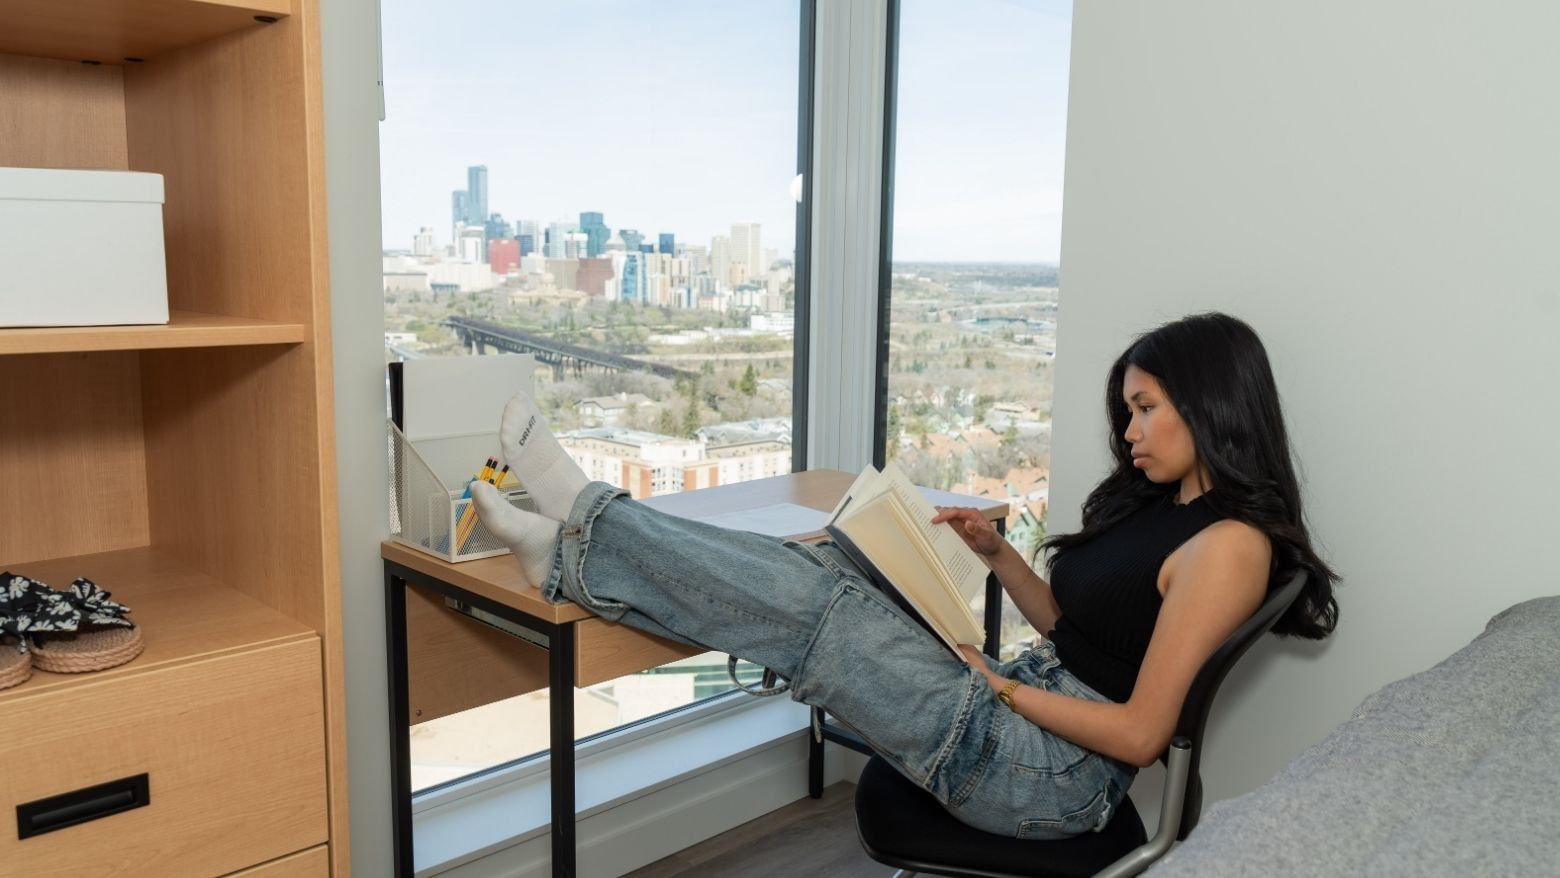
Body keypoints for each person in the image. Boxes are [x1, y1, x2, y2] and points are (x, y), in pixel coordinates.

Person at [471, 311, 1339, 840]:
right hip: (1027, 715)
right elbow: (1080, 634)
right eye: (1130, 411)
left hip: (1049, 774)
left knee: (824, 614)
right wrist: (994, 556)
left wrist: (998, 689)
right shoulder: (1164, 506)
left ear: (1213, 401)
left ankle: (574, 523)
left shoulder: (1231, 546)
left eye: (1146, 409)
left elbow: (1142, 736)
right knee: (833, 573)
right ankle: (572, 546)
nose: (1132, 430)